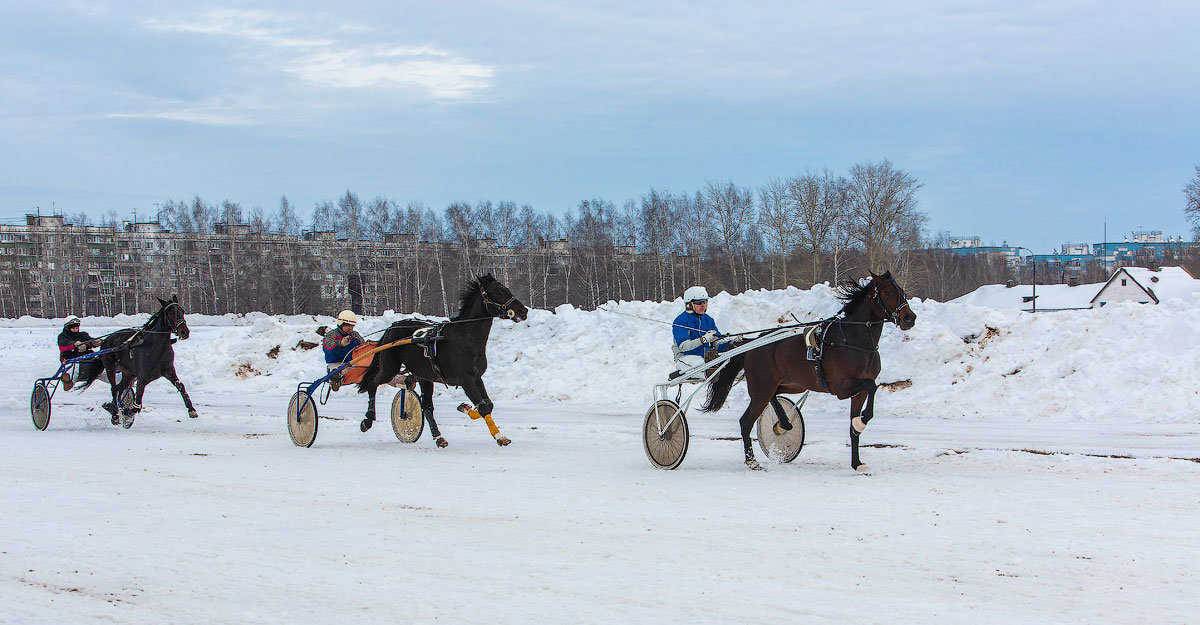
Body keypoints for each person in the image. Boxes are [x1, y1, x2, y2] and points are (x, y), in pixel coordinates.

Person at [671, 286, 731, 373]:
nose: (703, 305)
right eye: (698, 302)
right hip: (685, 358)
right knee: (706, 368)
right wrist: (703, 339)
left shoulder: (708, 320)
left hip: (705, 358)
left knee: (731, 366)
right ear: (689, 304)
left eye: (705, 301)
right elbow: (683, 346)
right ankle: (711, 372)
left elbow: (717, 344)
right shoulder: (680, 320)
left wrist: (731, 343)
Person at [323, 310, 365, 391]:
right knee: (336, 371)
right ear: (341, 324)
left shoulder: (355, 335)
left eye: (352, 326)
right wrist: (340, 344)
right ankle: (335, 380)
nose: (350, 328)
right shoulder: (331, 335)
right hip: (336, 364)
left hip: (352, 363)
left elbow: (363, 347)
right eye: (348, 325)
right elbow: (329, 350)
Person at [57, 315, 101, 391]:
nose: (75, 330)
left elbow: (90, 340)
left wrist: (96, 342)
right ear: (67, 328)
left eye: (76, 328)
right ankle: (68, 381)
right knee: (75, 368)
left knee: (100, 364)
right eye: (73, 328)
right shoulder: (62, 337)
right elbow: (64, 345)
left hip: (87, 359)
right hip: (70, 359)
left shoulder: (83, 335)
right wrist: (74, 345)